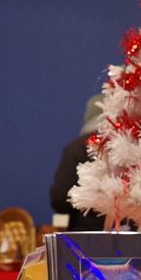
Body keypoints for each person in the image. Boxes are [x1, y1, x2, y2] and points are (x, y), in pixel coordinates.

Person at [49, 91, 110, 232]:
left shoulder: (76, 149)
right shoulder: (129, 147)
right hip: (128, 237)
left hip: (85, 237)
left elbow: (60, 198)